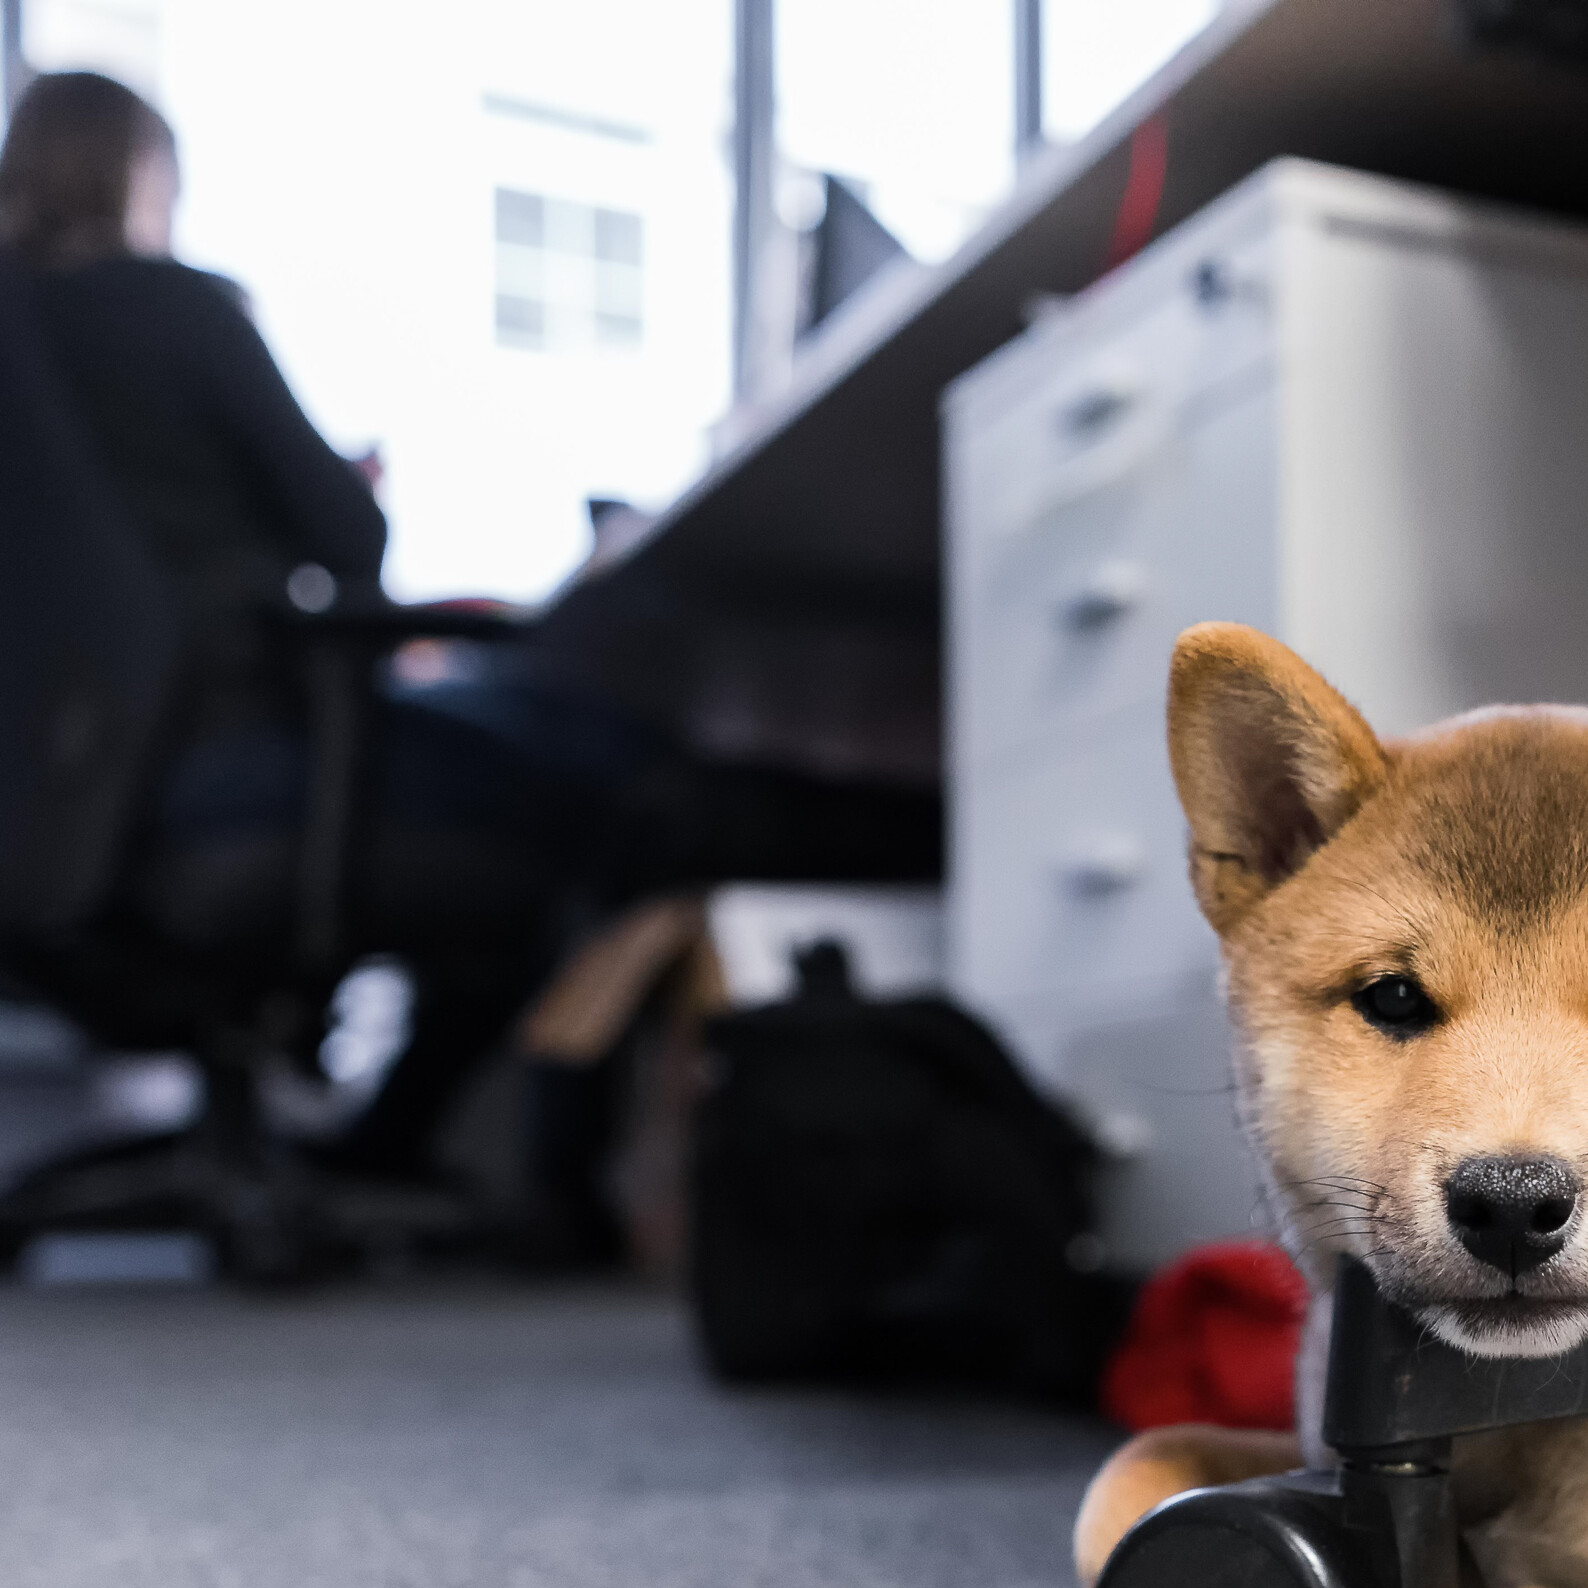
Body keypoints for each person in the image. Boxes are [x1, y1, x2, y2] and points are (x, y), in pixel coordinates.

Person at [0, 73, 939, 1254]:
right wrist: (354, 489)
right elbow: (345, 543)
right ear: (139, 176)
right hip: (229, 783)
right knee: (608, 774)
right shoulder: (166, 308)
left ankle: (398, 1135)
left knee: (525, 746)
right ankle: (934, 839)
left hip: (61, 824)